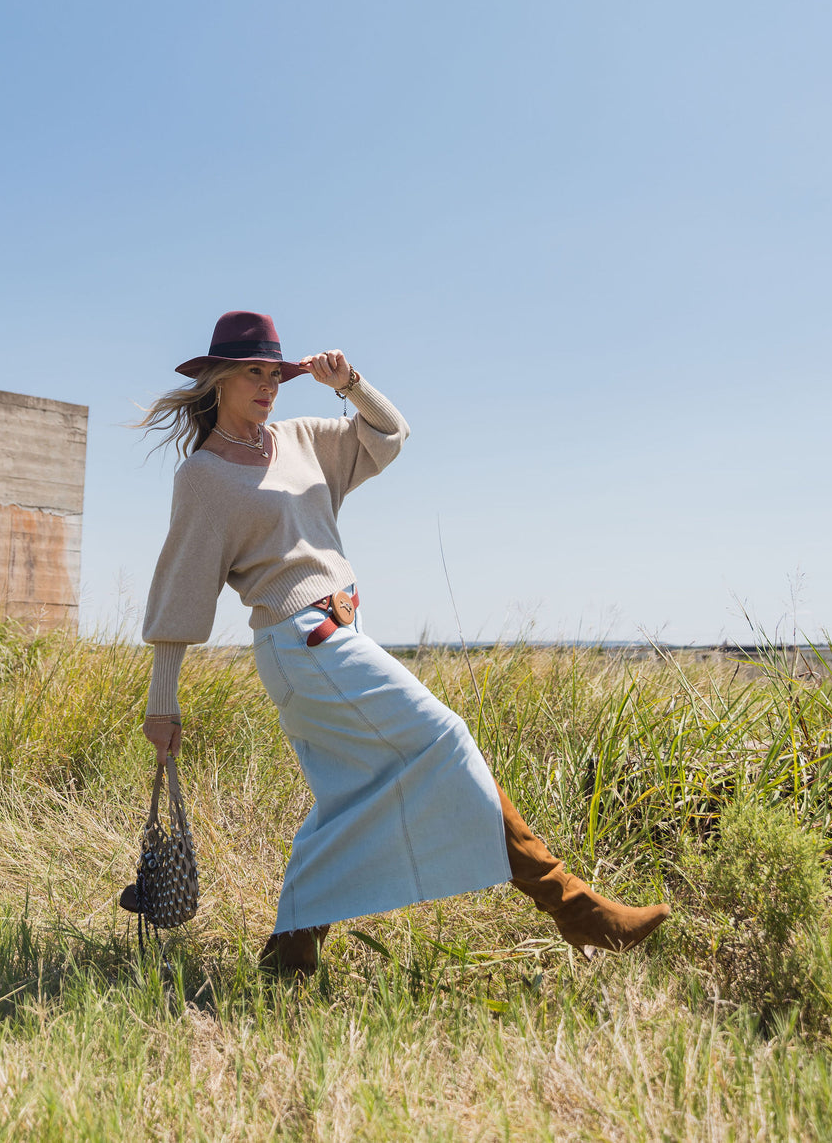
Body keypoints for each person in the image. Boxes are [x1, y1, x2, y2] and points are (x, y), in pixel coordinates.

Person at [123, 310, 670, 974]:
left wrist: (349, 382)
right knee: (445, 735)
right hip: (302, 641)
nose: (268, 386)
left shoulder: (300, 439)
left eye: (276, 373)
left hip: (332, 636)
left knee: (352, 797)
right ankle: (577, 909)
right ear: (217, 380)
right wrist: (163, 703)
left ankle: (290, 954)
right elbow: (180, 590)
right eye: (253, 374)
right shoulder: (204, 475)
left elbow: (390, 432)